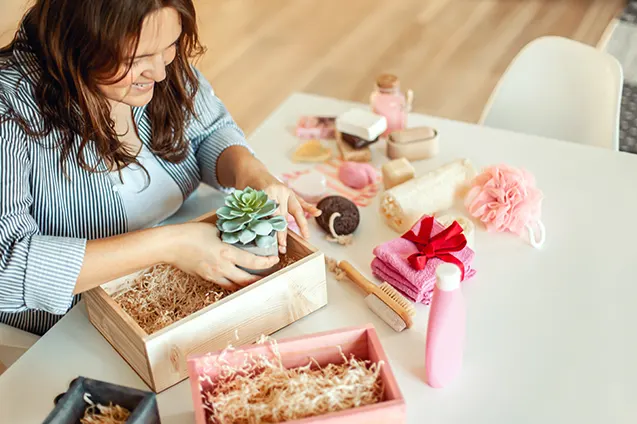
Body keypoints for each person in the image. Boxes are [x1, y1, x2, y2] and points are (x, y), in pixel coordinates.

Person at [0, 0, 320, 335]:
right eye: (135, 60)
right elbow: (7, 265)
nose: (161, 72)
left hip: (172, 289)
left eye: (170, 46)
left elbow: (207, 132)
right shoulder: (9, 111)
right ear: (77, 43)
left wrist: (251, 173)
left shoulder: (153, 59)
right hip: (70, 329)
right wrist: (170, 245)